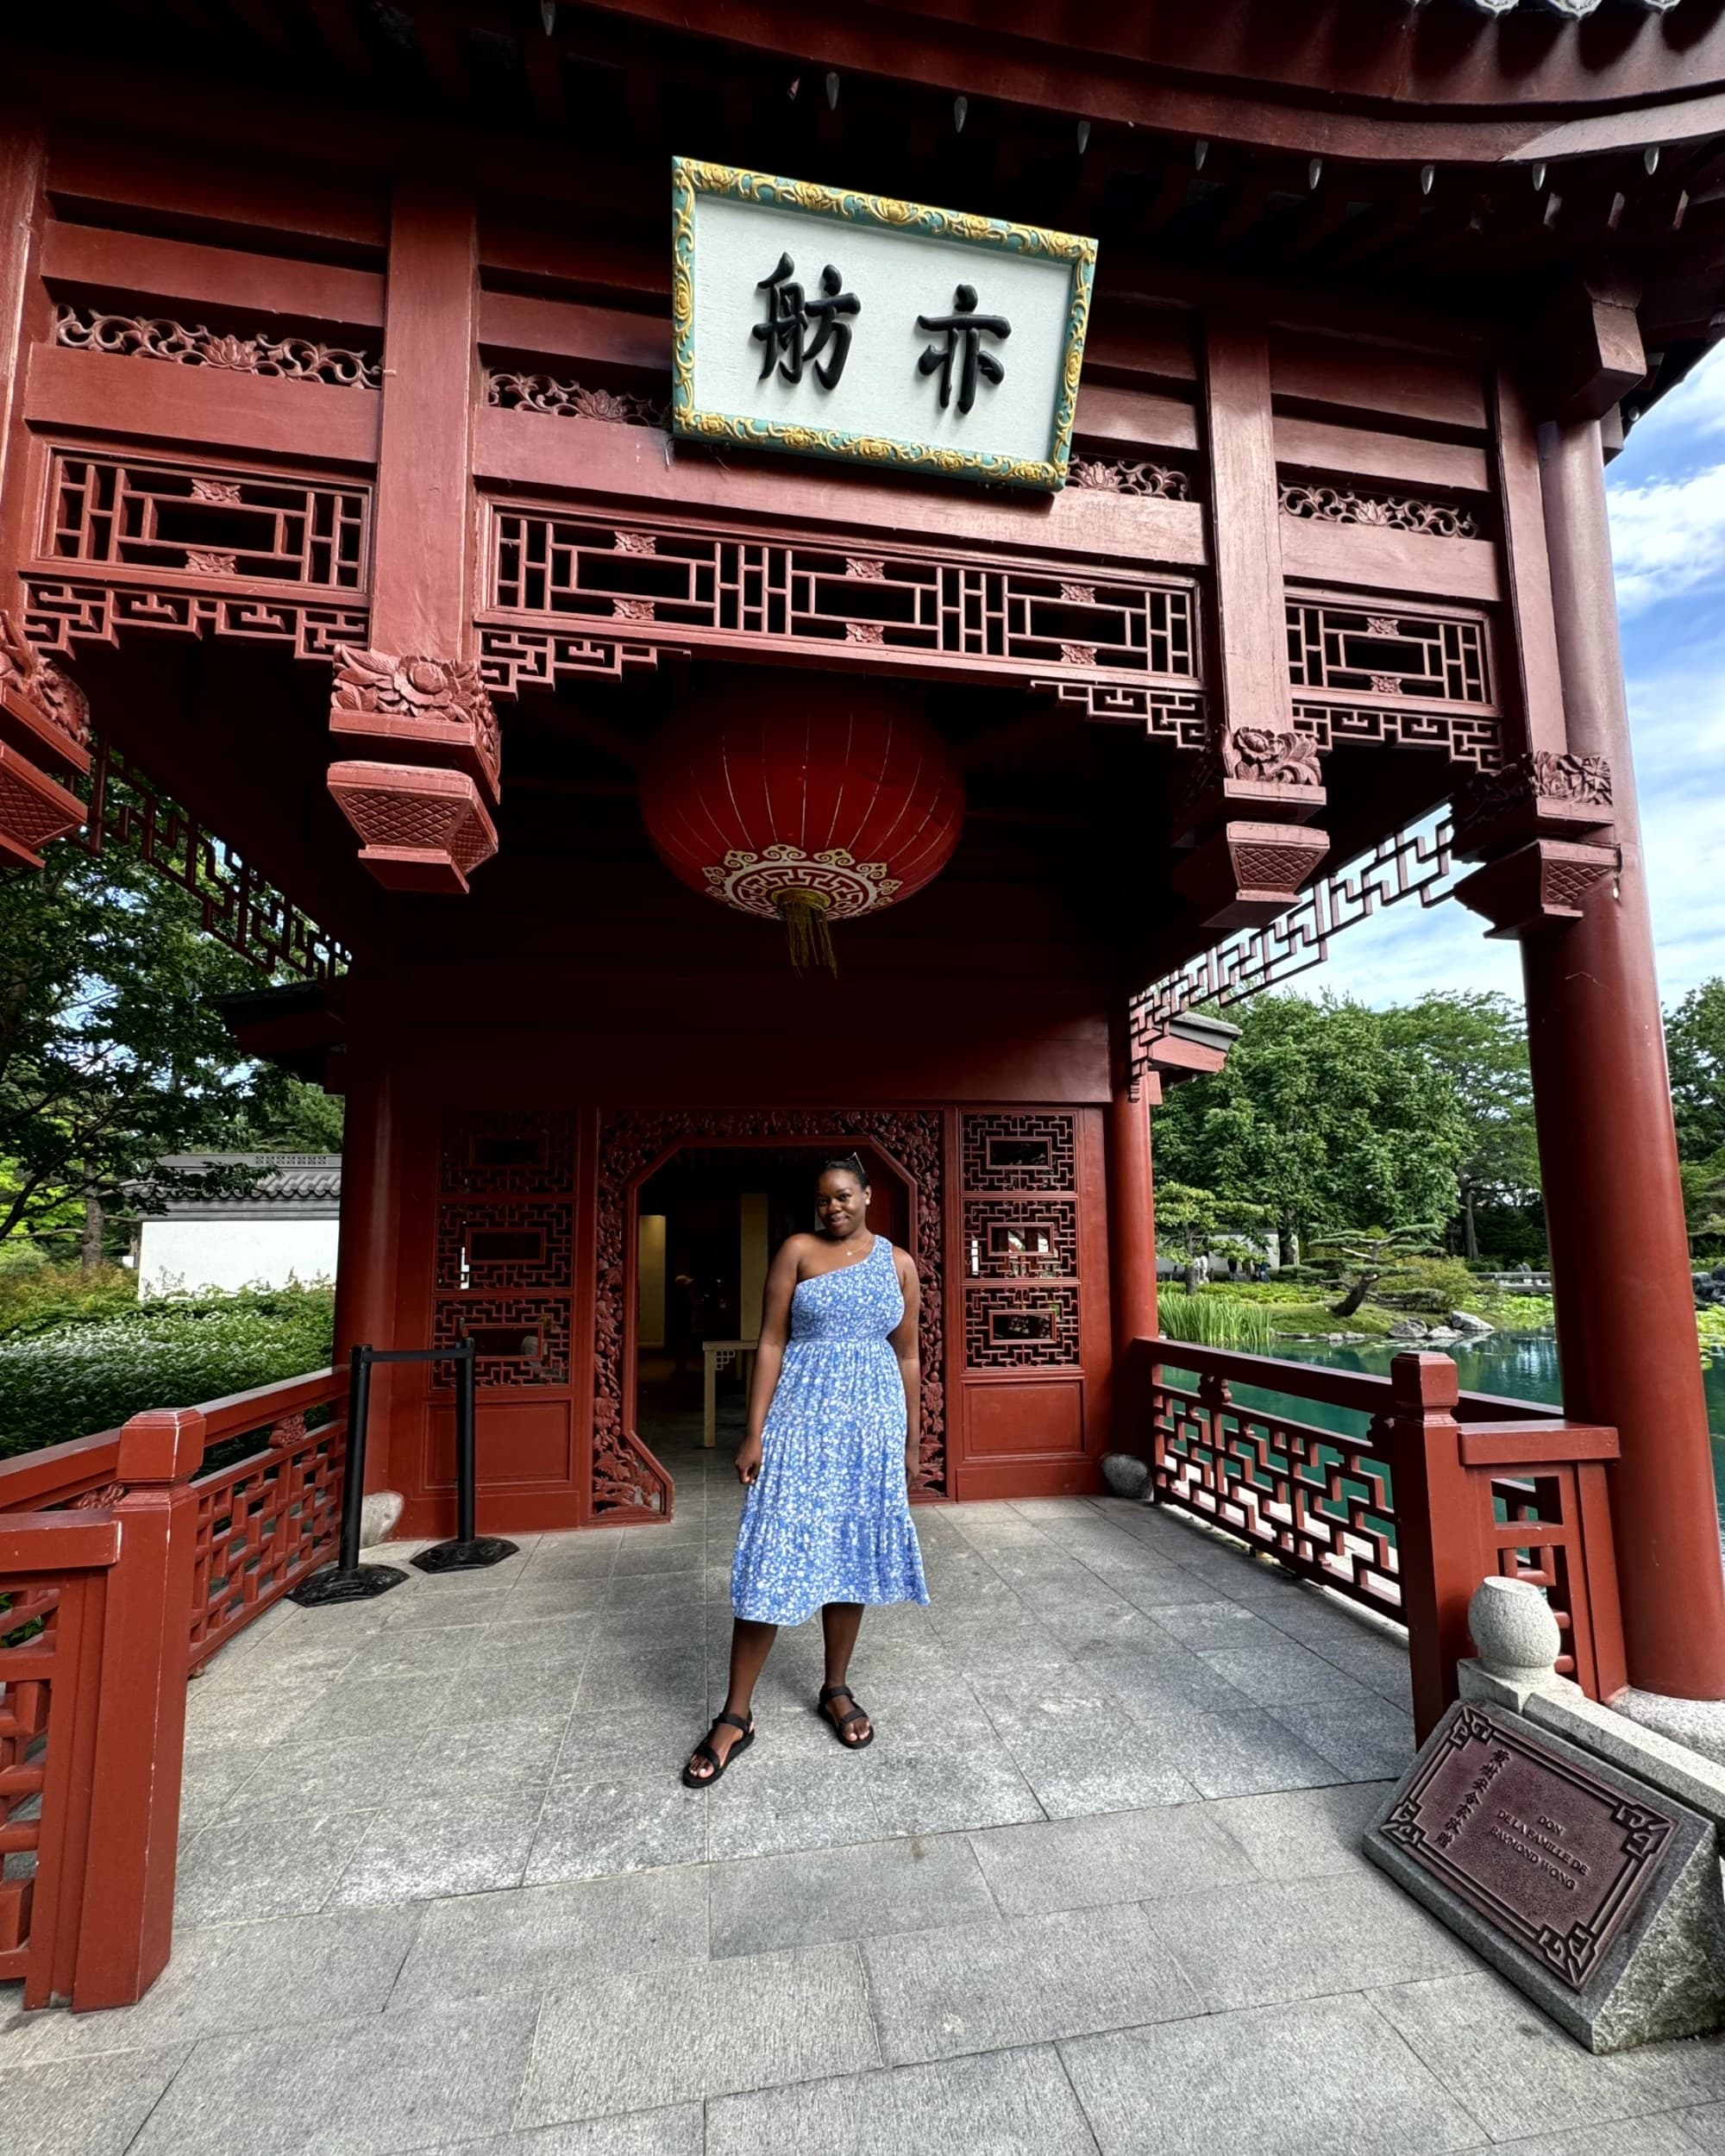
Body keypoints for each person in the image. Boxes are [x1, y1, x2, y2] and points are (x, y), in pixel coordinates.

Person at [682, 1152, 928, 1784]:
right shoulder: (797, 1250)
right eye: (823, 1199)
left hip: (870, 1424)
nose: (833, 1207)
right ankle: (736, 1714)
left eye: (844, 1195)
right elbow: (770, 1340)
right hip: (801, 1418)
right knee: (774, 1550)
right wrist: (754, 1432)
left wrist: (909, 1438)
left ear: (868, 1195)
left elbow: (906, 1357)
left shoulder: (899, 1264)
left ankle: (836, 1687)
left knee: (849, 1549)